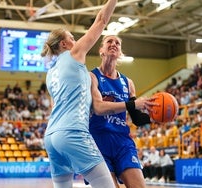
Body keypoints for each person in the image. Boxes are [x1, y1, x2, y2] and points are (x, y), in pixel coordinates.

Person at [40, 0, 118, 187]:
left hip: (51, 136)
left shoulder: (51, 73)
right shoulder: (74, 53)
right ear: (65, 44)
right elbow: (101, 20)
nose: (76, 41)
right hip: (72, 131)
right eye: (73, 38)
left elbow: (58, 105)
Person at [89, 35, 156, 188]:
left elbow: (137, 118)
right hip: (98, 141)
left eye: (117, 43)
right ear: (101, 50)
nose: (114, 44)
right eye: (109, 41)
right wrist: (132, 104)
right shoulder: (92, 77)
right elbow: (98, 108)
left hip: (122, 142)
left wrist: (155, 116)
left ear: (120, 53)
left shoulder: (128, 83)